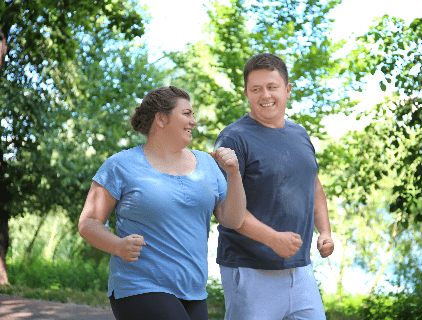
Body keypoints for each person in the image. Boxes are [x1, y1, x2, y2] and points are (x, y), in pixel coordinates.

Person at [78, 86, 246, 320]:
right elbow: (88, 223)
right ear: (161, 119)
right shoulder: (121, 165)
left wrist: (234, 173)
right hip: (139, 286)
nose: (194, 122)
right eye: (187, 114)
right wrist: (117, 245)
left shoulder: (207, 164)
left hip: (194, 290)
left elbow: (234, 219)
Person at [214, 53, 335, 320]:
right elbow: (225, 210)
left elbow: (313, 186)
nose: (264, 95)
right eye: (256, 89)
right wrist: (272, 239)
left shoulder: (300, 135)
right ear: (246, 93)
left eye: (272, 87)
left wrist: (324, 232)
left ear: (287, 90)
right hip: (249, 271)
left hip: (300, 270)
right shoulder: (233, 138)